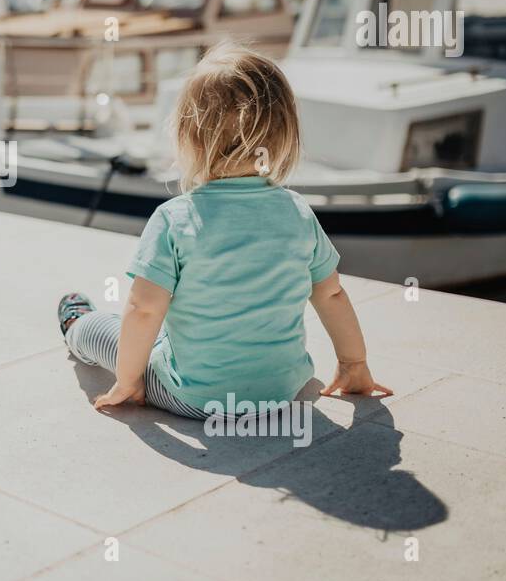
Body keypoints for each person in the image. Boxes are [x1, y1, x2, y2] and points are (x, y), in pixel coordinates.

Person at [57, 45, 391, 418]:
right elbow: (331, 295)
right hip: (284, 391)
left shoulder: (175, 218)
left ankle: (76, 323)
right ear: (283, 140)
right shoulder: (297, 212)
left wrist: (130, 380)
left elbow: (143, 310)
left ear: (188, 138)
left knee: (110, 331)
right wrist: (353, 364)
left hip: (197, 398)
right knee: (172, 332)